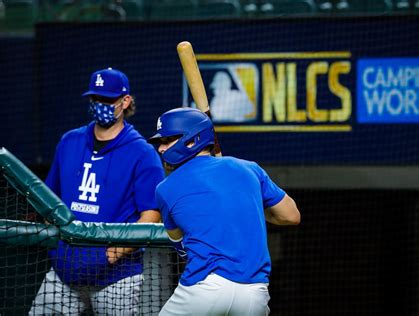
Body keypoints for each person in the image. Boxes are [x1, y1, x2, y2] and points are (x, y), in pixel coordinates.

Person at [29, 68, 165, 315]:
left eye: (107, 99)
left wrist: (111, 255)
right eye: (95, 99)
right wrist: (57, 249)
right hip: (64, 271)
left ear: (125, 102)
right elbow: (49, 200)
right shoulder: (69, 141)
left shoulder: (143, 153)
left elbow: (151, 215)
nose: (100, 104)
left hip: (117, 276)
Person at [147, 107, 301, 315]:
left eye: (167, 141)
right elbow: (291, 216)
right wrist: (247, 202)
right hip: (254, 294)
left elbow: (179, 243)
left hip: (204, 290)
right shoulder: (249, 169)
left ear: (192, 140)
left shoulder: (165, 189)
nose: (161, 149)